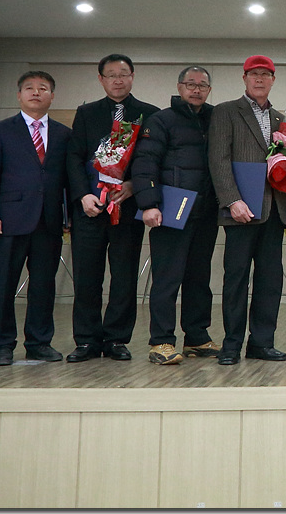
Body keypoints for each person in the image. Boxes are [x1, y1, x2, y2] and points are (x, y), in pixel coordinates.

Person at [64, 54, 160, 363]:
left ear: (132, 76)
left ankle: (117, 338)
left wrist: (133, 186)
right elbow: (74, 158)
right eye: (111, 75)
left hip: (127, 208)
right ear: (101, 79)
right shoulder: (86, 113)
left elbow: (153, 160)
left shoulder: (149, 114)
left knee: (124, 275)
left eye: (123, 74)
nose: (118, 80)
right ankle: (86, 340)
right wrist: (82, 196)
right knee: (86, 276)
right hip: (90, 208)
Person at [208, 55, 286, 365]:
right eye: (253, 74)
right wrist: (231, 200)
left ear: (273, 79)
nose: (259, 79)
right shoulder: (226, 112)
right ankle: (231, 344)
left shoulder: (280, 119)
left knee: (269, 279)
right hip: (240, 210)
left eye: (265, 74)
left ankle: (262, 342)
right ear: (244, 78)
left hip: (273, 211)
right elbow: (218, 159)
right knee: (236, 279)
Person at [0, 71, 71, 366]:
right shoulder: (1, 129)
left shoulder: (64, 134)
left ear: (52, 96)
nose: (36, 92)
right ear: (19, 95)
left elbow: (68, 179)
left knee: (43, 286)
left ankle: (39, 342)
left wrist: (69, 217)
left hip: (49, 221)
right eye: (29, 88)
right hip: (8, 220)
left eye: (43, 88)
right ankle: (1, 345)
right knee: (2, 285)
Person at [130, 66, 220, 365]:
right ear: (179, 87)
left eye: (202, 85)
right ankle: (161, 341)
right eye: (190, 84)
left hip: (205, 212)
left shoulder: (215, 118)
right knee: (167, 279)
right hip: (170, 211)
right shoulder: (161, 120)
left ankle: (196, 337)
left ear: (209, 90)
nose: (196, 89)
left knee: (199, 278)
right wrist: (149, 204)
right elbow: (145, 163)